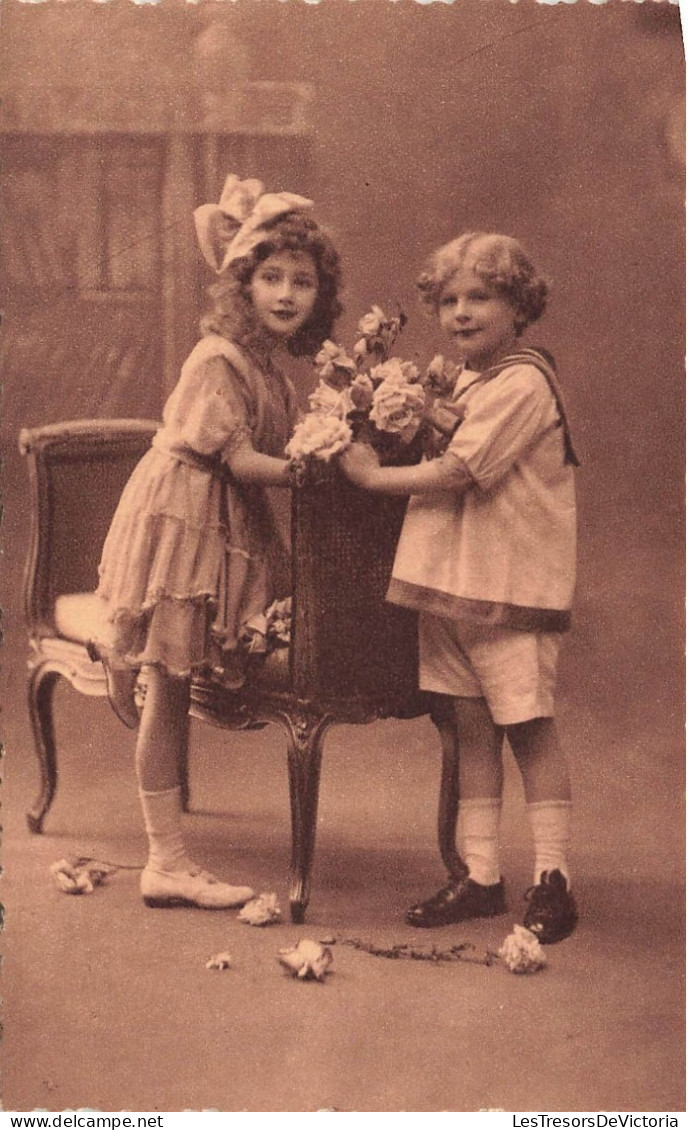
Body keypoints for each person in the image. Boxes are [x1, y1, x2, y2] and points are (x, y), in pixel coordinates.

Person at [94, 174, 342, 910]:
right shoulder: (217, 358)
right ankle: (165, 860)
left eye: (302, 281)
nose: (287, 294)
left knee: (170, 680)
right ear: (242, 286)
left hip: (222, 519)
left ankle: (126, 661)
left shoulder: (269, 366)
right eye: (271, 278)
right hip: (183, 517)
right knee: (169, 685)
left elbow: (266, 451)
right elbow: (239, 463)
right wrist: (313, 468)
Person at [340, 232, 579, 944]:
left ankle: (553, 877)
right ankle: (480, 875)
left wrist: (373, 477)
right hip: (448, 581)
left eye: (482, 297)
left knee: (528, 728)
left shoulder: (524, 383)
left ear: (518, 306)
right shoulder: (472, 381)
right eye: (449, 301)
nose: (463, 313)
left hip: (506, 584)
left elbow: (462, 471)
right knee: (469, 728)